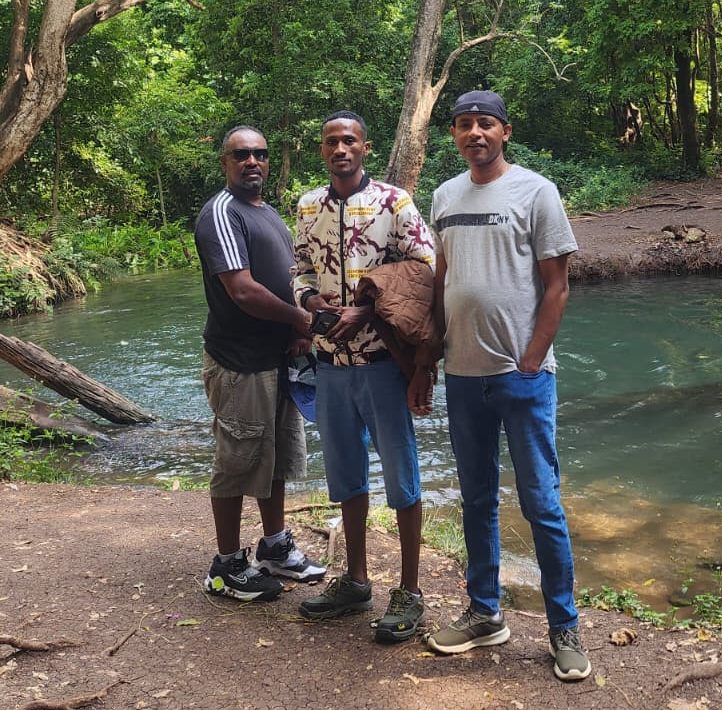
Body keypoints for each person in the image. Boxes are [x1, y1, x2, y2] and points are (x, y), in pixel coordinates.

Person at [424, 91, 591, 681]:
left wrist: (531, 360)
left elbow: (557, 286)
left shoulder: (536, 192)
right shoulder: (445, 196)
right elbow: (442, 281)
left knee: (541, 502)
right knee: (476, 500)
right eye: (464, 124)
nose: (475, 133)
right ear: (454, 134)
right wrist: (429, 361)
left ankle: (564, 626)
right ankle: (484, 612)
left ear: (505, 132)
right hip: (462, 375)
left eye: (485, 124)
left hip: (522, 378)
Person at [292, 111, 435, 643]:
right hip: (330, 365)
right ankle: (355, 581)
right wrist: (310, 299)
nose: (341, 149)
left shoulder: (394, 203)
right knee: (345, 476)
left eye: (349, 141)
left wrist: (369, 310)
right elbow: (299, 269)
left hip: (382, 364)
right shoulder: (308, 206)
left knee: (402, 476)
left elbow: (425, 270)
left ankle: (410, 590)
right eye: (332, 141)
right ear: (323, 149)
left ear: (365, 148)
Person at [195, 125, 326, 602]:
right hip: (238, 362)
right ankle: (227, 565)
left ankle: (274, 547)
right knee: (237, 460)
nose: (253, 161)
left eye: (260, 154)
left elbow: (288, 277)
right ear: (225, 162)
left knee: (274, 459)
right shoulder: (222, 213)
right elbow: (243, 290)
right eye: (242, 154)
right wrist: (302, 319)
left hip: (276, 359)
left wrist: (296, 332)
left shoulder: (267, 212)